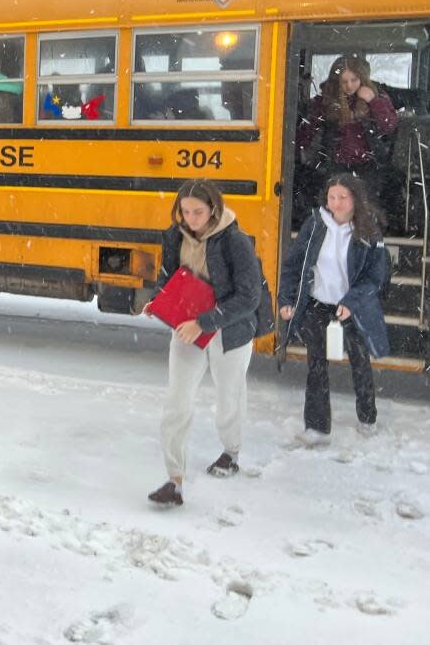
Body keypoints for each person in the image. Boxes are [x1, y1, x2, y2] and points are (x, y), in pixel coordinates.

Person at [145, 179, 262, 507]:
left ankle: (230, 451)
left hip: (229, 330)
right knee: (177, 400)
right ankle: (174, 480)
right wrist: (157, 301)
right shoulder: (174, 235)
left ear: (214, 209)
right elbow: (167, 275)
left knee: (229, 396)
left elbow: (249, 297)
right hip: (187, 327)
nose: (191, 218)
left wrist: (205, 323)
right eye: (185, 212)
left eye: (198, 212)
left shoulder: (235, 241)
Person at [278, 174, 389, 442]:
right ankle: (316, 427)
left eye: (343, 197)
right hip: (318, 303)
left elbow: (375, 277)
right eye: (332, 197)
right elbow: (293, 264)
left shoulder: (368, 231)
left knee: (360, 361)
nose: (336, 203)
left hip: (352, 305)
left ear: (355, 199)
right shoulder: (315, 224)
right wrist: (286, 299)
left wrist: (351, 302)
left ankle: (367, 417)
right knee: (316, 363)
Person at [298, 54, 398, 216]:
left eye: (354, 80)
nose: (349, 86)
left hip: (368, 165)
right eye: (344, 82)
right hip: (332, 164)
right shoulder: (323, 101)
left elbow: (389, 125)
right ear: (336, 82)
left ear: (362, 79)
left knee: (365, 210)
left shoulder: (375, 96)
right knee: (333, 209)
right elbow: (307, 131)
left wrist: (373, 101)